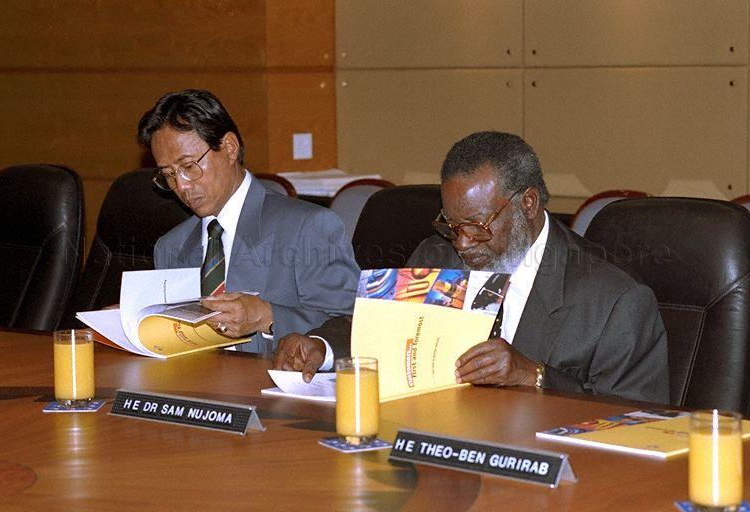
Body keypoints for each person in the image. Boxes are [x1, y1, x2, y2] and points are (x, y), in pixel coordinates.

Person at [274, 131, 670, 404]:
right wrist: (320, 347)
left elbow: (630, 419)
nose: (461, 243)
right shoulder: (437, 256)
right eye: (451, 224)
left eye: (478, 226)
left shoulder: (616, 300)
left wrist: (532, 376)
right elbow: (379, 327)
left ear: (528, 204)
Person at [138, 89, 360, 355]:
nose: (182, 186)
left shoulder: (309, 227)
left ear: (230, 148)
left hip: (275, 391)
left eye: (188, 166)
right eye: (169, 175)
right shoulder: (170, 246)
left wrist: (268, 317)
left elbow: (352, 325)